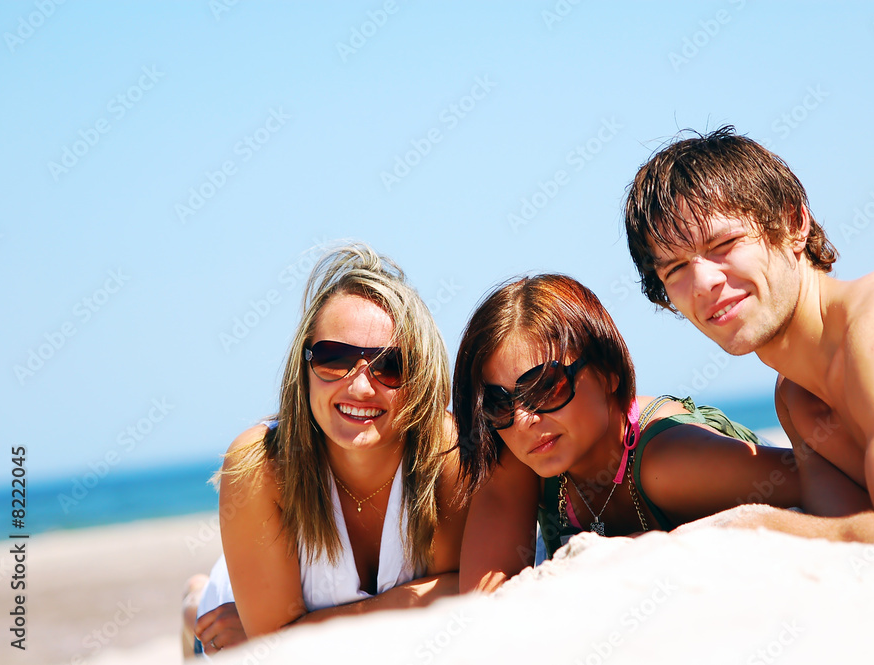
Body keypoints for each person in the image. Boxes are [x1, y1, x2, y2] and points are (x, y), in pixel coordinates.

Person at [623, 126, 874, 547]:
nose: (703, 282)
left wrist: (747, 523)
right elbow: (846, 535)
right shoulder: (797, 399)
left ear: (793, 223)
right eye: (675, 268)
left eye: (724, 244)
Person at [184, 243, 467, 656]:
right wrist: (277, 633)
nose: (360, 387)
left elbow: (461, 592)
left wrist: (292, 629)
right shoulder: (258, 463)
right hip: (224, 632)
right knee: (205, 619)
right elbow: (275, 650)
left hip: (265, 631)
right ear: (303, 368)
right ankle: (195, 602)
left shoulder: (444, 453)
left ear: (422, 377)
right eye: (334, 358)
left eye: (390, 365)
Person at [452, 273, 800, 592]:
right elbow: (483, 604)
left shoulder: (669, 461)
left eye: (545, 387)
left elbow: (809, 480)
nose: (522, 419)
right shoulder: (518, 448)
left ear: (608, 373)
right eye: (496, 402)